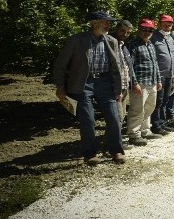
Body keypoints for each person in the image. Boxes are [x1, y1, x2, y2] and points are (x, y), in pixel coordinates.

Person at [53, 11, 125, 165]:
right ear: (93, 23)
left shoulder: (111, 41)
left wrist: (119, 89)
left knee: (114, 117)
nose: (108, 25)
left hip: (106, 82)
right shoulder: (76, 40)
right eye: (105, 22)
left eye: (108, 22)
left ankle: (116, 151)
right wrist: (60, 86)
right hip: (83, 83)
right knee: (88, 119)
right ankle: (90, 154)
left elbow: (117, 67)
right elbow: (61, 64)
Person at [126, 19, 164, 146]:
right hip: (140, 83)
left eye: (150, 30)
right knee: (137, 109)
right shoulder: (132, 45)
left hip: (152, 82)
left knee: (150, 107)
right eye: (144, 29)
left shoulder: (151, 45)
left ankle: (145, 130)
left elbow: (155, 64)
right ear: (139, 30)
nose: (147, 32)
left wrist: (158, 80)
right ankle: (133, 133)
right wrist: (134, 83)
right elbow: (129, 67)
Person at [151, 14, 174, 133]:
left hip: (169, 75)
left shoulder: (171, 38)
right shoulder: (153, 38)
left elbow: (172, 57)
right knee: (158, 101)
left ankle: (162, 122)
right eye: (165, 25)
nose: (167, 27)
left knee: (166, 100)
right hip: (159, 75)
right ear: (159, 24)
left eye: (169, 25)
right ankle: (156, 125)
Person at [110, 20, 135, 129]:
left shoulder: (124, 46)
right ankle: (113, 144)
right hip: (115, 88)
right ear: (116, 29)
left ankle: (115, 142)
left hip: (125, 87)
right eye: (122, 31)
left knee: (122, 115)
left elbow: (128, 66)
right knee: (118, 117)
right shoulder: (109, 43)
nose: (125, 34)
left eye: (128, 32)